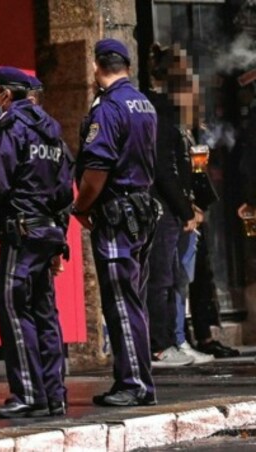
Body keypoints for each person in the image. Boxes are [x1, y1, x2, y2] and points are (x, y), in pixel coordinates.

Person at [0, 67, 72, 418]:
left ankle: (26, 394)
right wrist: (59, 241)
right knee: (46, 315)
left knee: (14, 312)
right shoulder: (52, 131)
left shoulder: (11, 128)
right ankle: (55, 396)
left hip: (20, 236)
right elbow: (64, 190)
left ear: (7, 94)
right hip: (47, 232)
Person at [72, 39, 160, 407]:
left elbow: (97, 169)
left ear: (97, 66)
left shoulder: (108, 108)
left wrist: (80, 207)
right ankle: (137, 380)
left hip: (117, 214)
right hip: (141, 209)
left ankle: (134, 383)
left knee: (121, 303)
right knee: (134, 301)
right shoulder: (144, 104)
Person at [144, 43, 209, 368]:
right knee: (162, 278)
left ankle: (173, 340)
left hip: (175, 206)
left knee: (173, 276)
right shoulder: (158, 110)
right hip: (161, 207)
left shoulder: (173, 113)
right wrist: (185, 209)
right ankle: (160, 344)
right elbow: (164, 169)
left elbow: (186, 163)